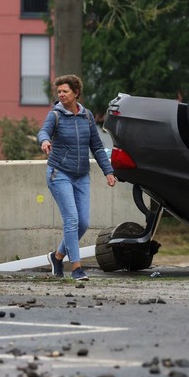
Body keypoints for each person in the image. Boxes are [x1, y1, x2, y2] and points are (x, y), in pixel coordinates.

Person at [38, 74, 117, 281]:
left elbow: (97, 147)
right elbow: (43, 132)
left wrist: (108, 171)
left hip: (81, 175)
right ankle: (76, 268)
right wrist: (45, 141)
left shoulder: (87, 116)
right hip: (59, 173)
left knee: (83, 223)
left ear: (76, 93)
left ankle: (57, 257)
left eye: (65, 91)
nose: (61, 95)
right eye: (59, 92)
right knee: (71, 220)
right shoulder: (55, 115)